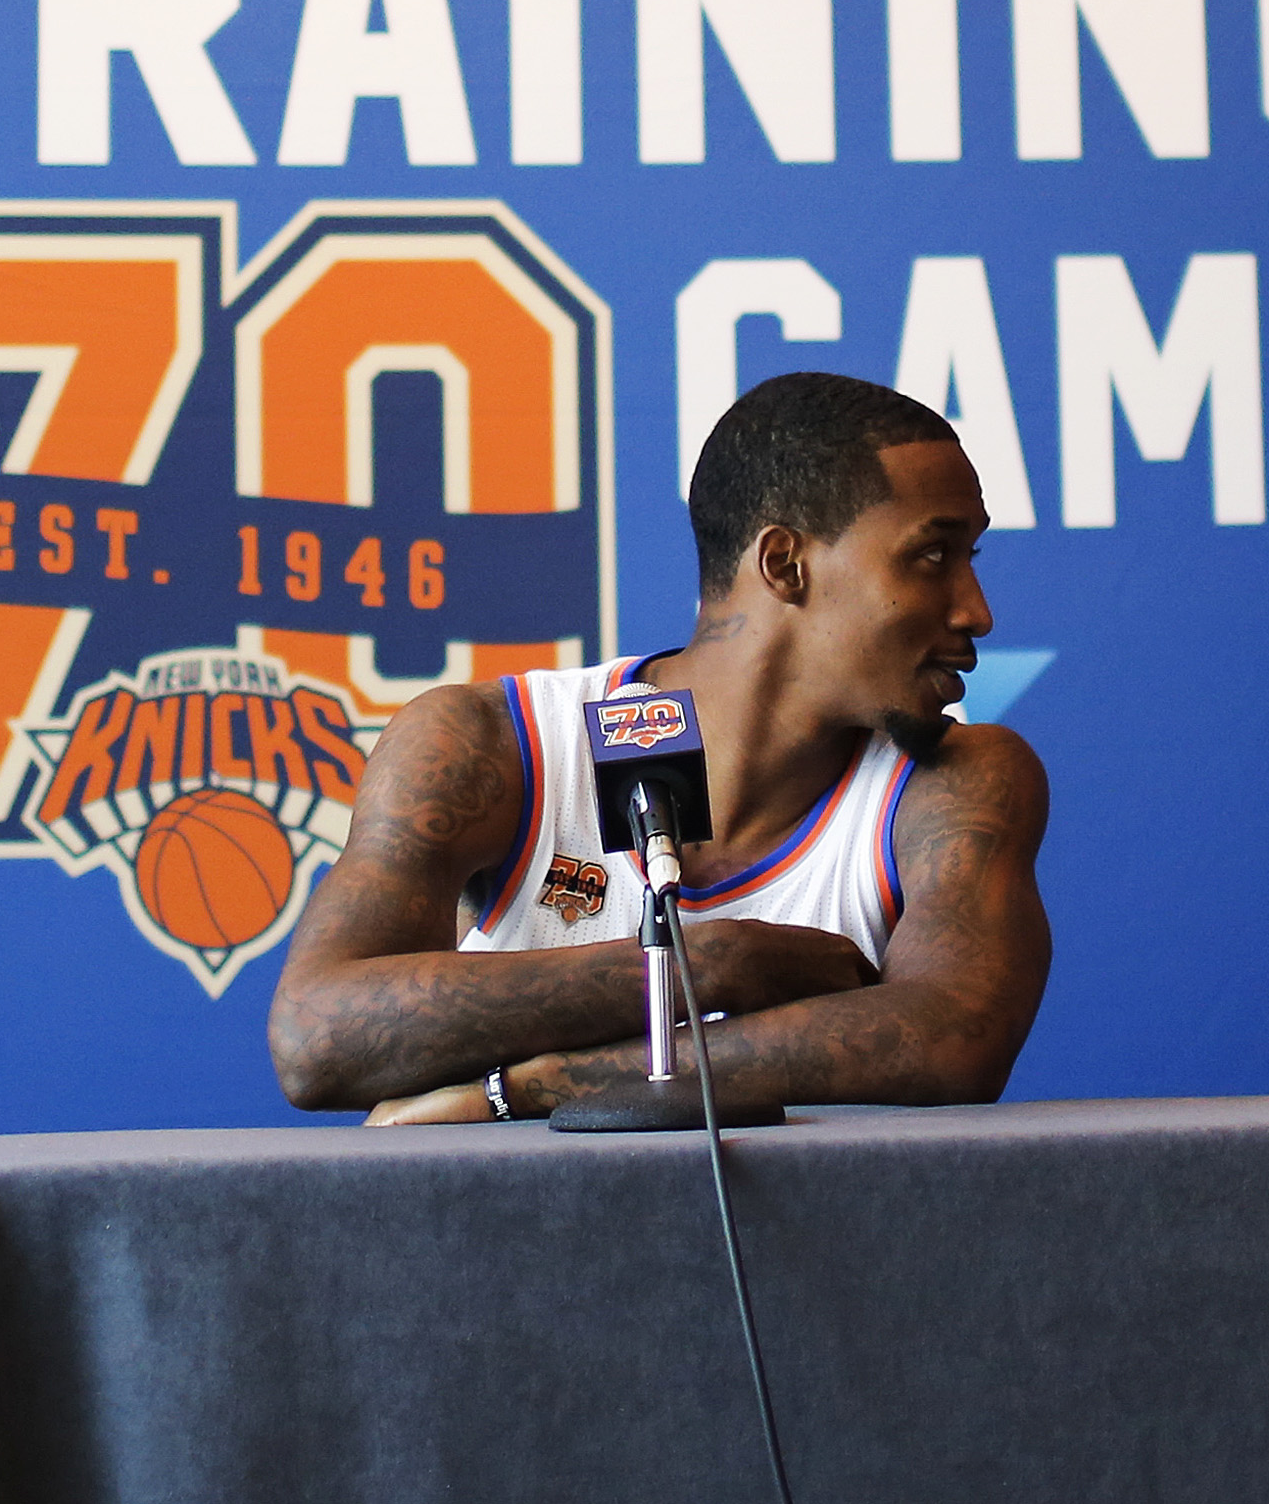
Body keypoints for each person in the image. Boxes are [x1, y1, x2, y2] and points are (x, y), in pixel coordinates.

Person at [269, 371, 1051, 1122]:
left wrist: (538, 1086)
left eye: (969, 559)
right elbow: (316, 1037)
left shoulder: (958, 781)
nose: (975, 612)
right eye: (931, 556)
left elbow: (954, 1041)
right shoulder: (495, 741)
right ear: (785, 564)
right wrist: (708, 965)